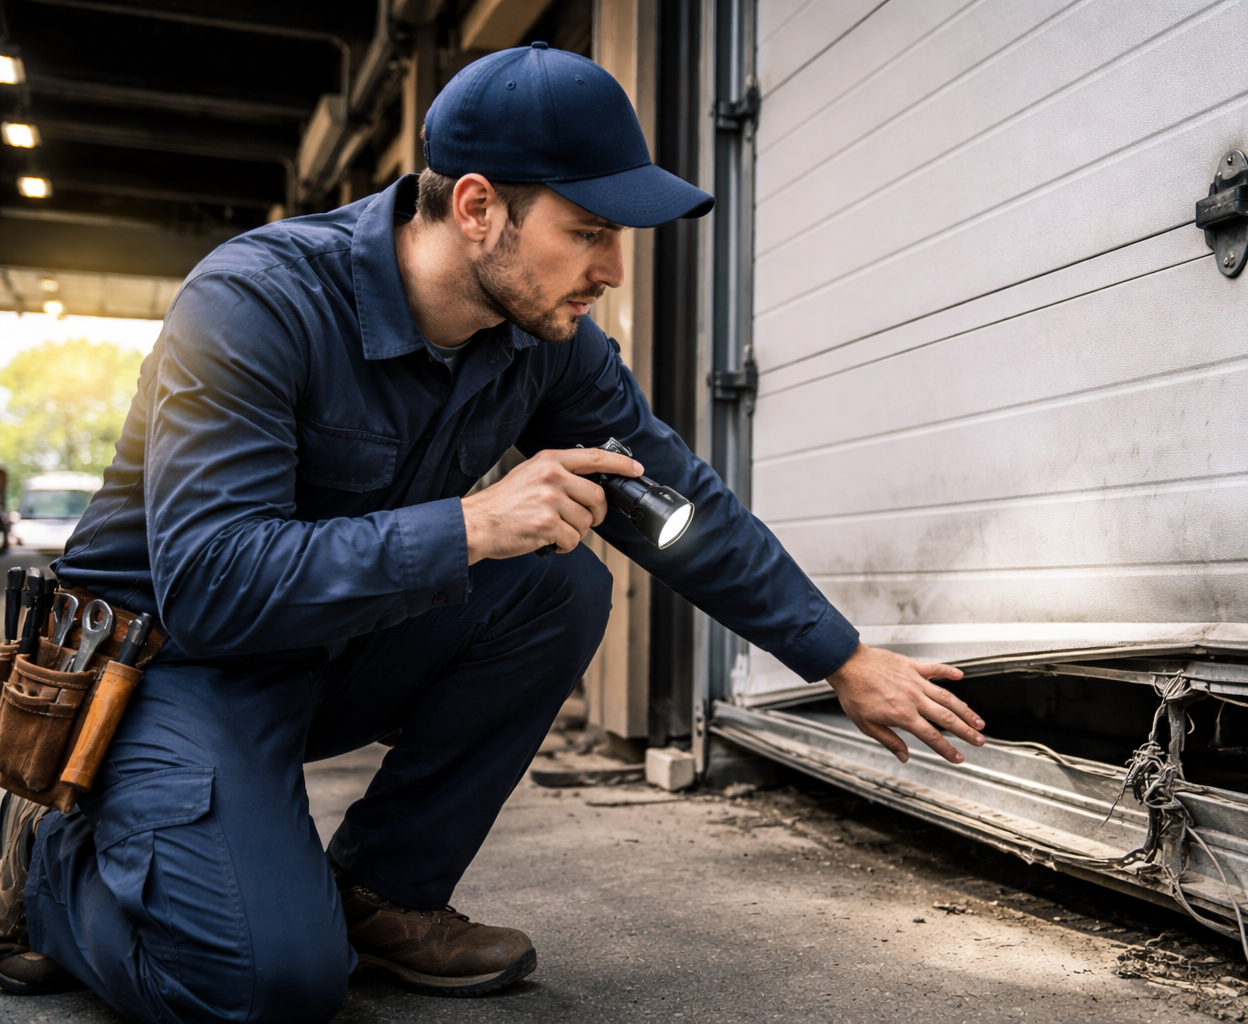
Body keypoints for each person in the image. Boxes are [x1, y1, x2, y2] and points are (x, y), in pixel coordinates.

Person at [0, 43, 985, 1022]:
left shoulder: (545, 344)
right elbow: (214, 590)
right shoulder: (257, 302)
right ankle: (46, 871)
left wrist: (841, 656)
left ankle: (383, 889)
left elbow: (678, 499)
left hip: (324, 648)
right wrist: (470, 523)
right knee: (267, 986)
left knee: (562, 584)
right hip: (168, 671)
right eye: (589, 230)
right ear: (476, 208)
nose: (612, 269)